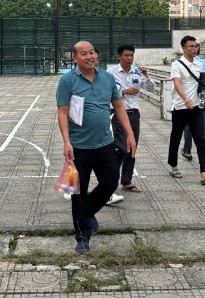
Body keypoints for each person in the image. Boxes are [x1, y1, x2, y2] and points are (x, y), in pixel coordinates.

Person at [56, 41, 136, 254]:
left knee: (110, 183)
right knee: (77, 192)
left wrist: (130, 134)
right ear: (75, 58)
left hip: (105, 144)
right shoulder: (67, 81)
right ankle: (82, 236)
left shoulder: (107, 78)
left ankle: (87, 212)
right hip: (78, 148)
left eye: (92, 52)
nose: (89, 56)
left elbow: (119, 106)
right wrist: (66, 141)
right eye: (84, 54)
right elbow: (62, 112)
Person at [168, 36, 205, 186]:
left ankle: (204, 174)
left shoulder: (198, 65)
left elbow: (201, 85)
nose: (195, 48)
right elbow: (177, 83)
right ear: (183, 48)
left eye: (196, 46)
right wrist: (185, 99)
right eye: (191, 46)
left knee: (200, 139)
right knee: (176, 138)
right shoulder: (177, 64)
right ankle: (173, 166)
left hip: (196, 108)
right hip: (180, 107)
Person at [107, 44, 155, 194]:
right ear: (119, 56)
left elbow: (151, 88)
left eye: (131, 56)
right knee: (121, 147)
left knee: (132, 147)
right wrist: (124, 91)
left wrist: (146, 75)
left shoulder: (136, 72)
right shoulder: (111, 73)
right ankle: (110, 180)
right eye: (126, 55)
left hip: (134, 113)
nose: (129, 58)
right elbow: (106, 92)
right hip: (117, 113)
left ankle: (127, 181)